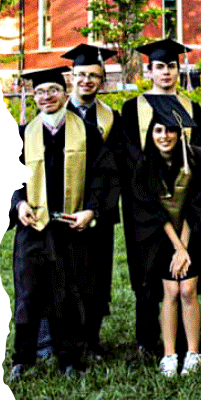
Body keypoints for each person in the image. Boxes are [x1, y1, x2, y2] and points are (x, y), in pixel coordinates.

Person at [8, 67, 119, 383]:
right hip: (34, 228)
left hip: (71, 228)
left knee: (68, 294)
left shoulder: (86, 131)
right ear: (34, 96)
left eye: (53, 90)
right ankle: (23, 358)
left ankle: (70, 358)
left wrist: (92, 211)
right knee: (28, 293)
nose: (47, 97)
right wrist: (19, 203)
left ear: (64, 90)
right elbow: (8, 177)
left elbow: (104, 176)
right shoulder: (23, 133)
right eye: (41, 92)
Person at [121, 38, 201, 355]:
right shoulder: (133, 109)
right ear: (150, 70)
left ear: (178, 69)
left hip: (185, 204)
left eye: (171, 66)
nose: (166, 72)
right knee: (146, 272)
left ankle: (184, 338)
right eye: (160, 67)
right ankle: (146, 339)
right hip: (145, 206)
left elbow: (200, 155)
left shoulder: (192, 107)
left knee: (183, 270)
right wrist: (150, 187)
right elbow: (129, 154)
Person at [130, 96, 201, 376]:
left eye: (170, 130)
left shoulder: (197, 159)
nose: (164, 136)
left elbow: (200, 204)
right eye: (158, 130)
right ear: (151, 134)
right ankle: (169, 354)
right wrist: (178, 248)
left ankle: (193, 352)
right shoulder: (144, 167)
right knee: (170, 291)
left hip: (194, 234)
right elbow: (153, 212)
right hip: (162, 239)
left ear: (179, 134)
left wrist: (186, 248)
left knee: (188, 290)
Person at [60, 43, 123, 355]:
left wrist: (97, 209)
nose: (87, 80)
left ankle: (92, 339)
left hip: (98, 211)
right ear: (71, 76)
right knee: (62, 273)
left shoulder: (112, 118)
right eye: (81, 74)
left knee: (97, 275)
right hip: (61, 211)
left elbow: (117, 170)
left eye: (94, 76)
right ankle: (61, 339)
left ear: (102, 81)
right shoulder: (55, 113)